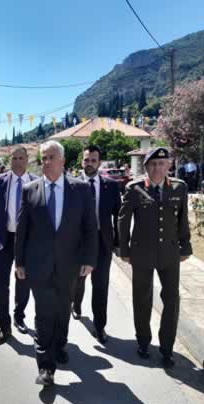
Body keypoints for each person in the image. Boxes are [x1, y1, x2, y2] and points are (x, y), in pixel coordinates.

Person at [15, 140, 97, 386]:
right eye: (43, 158)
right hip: (38, 265)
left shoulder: (80, 189)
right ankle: (45, 366)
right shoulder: (30, 190)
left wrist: (89, 259)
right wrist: (19, 262)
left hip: (69, 265)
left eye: (51, 157)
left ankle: (60, 345)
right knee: (43, 314)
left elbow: (90, 228)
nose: (47, 162)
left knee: (62, 310)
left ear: (62, 161)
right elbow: (22, 229)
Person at [118, 147, 192, 368]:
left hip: (169, 253)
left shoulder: (179, 187)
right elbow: (123, 220)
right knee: (142, 299)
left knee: (172, 300)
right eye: (152, 164)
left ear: (168, 165)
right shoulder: (135, 188)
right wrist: (124, 250)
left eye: (161, 164)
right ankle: (143, 341)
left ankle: (167, 348)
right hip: (142, 253)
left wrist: (185, 246)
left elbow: (183, 219)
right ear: (146, 167)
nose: (157, 168)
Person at [0, 146, 36, 345]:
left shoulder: (35, 182)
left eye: (21, 158)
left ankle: (19, 316)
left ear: (27, 160)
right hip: (4, 238)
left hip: (27, 241)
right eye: (14, 158)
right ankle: (4, 326)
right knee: (2, 283)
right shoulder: (0, 181)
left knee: (23, 281)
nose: (17, 161)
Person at [72, 145, 121, 344]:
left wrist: (118, 242)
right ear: (81, 161)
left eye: (93, 160)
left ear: (99, 163)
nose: (89, 164)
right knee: (78, 280)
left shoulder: (111, 186)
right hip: (79, 243)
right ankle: (76, 305)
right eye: (86, 160)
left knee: (100, 286)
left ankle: (100, 327)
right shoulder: (71, 185)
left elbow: (118, 215)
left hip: (102, 242)